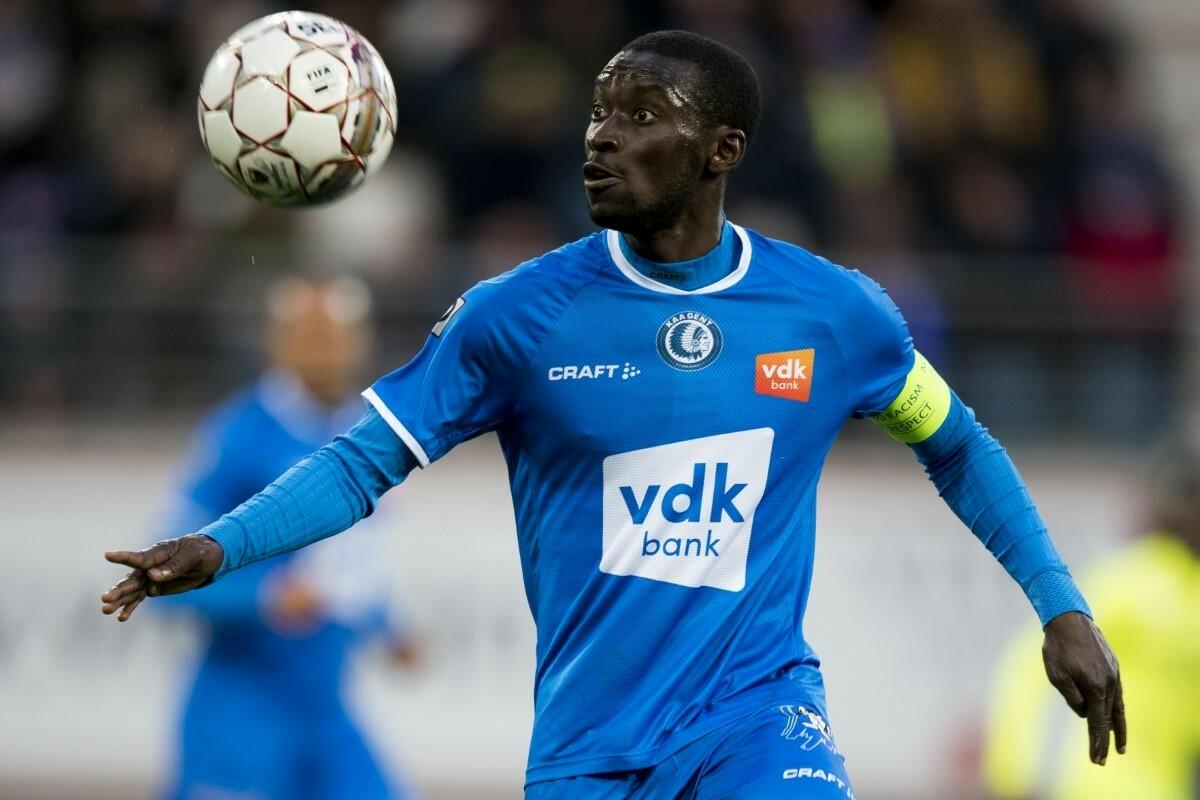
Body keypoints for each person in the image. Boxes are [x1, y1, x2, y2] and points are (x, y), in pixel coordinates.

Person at [102, 31, 1124, 799]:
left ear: (721, 148)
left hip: (760, 721)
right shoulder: (515, 317)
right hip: (589, 750)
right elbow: (363, 460)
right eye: (599, 112)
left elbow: (958, 445)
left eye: (641, 116)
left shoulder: (835, 314)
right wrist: (223, 545)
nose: (601, 135)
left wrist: (1061, 605)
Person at [156, 277, 416, 800]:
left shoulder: (365, 435)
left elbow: (348, 567)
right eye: (311, 334)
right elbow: (165, 580)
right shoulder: (239, 437)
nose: (326, 349)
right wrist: (266, 597)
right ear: (277, 341)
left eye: (336, 334)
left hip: (324, 711)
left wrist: (385, 625)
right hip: (241, 711)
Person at [983, 443, 1200, 800]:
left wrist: (1013, 773)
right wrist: (1013, 774)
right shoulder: (1136, 581)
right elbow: (1033, 666)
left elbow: (1029, 666)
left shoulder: (1125, 577)